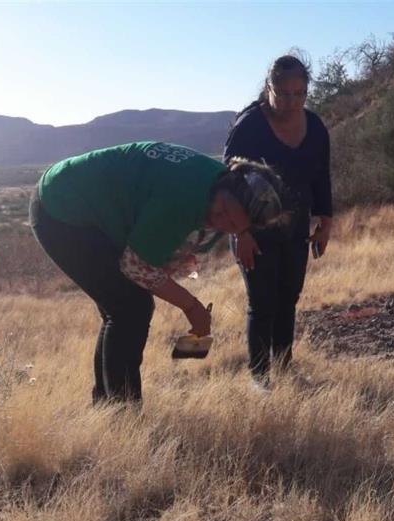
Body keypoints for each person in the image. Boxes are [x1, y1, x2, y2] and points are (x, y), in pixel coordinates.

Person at [29, 141, 286, 404]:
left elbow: (162, 249)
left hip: (92, 207)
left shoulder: (226, 188)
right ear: (224, 185)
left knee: (122, 309)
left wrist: (238, 234)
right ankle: (122, 414)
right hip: (62, 208)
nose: (220, 221)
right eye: (223, 212)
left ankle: (107, 405)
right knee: (130, 308)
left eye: (234, 226)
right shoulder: (184, 197)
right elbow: (136, 266)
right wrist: (192, 307)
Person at [223, 54, 333, 388]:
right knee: (262, 301)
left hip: (296, 228)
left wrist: (325, 221)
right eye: (283, 93)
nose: (291, 101)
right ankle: (260, 378)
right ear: (268, 87)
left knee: (288, 299)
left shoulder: (314, 126)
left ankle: (284, 368)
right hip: (253, 230)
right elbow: (227, 182)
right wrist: (241, 233)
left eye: (299, 93)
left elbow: (320, 177)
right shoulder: (250, 125)